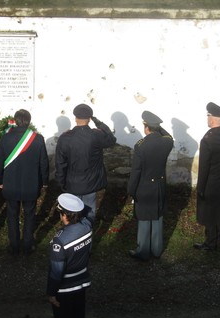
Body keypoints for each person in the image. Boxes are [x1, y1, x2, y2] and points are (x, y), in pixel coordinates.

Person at [0, 109, 49, 256]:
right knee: (30, 215)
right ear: (29, 121)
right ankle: (28, 245)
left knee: (12, 215)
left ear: (15, 121)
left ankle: (14, 246)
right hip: (31, 184)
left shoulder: (6, 138)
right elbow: (44, 162)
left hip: (10, 184)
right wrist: (45, 181)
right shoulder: (38, 138)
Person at [55, 104, 116, 220]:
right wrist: (99, 123)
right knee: (89, 213)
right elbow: (111, 139)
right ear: (89, 119)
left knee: (72, 214)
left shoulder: (65, 137)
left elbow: (60, 163)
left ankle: (75, 235)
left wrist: (61, 183)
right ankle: (87, 235)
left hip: (72, 183)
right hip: (91, 182)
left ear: (75, 118)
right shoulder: (96, 135)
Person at [127, 111, 174, 261]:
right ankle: (157, 249)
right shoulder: (167, 142)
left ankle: (143, 252)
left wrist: (131, 190)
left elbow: (136, 171)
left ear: (146, 127)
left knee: (144, 219)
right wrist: (157, 127)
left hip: (144, 186)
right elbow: (167, 135)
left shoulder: (141, 145)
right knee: (157, 217)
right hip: (159, 185)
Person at [47, 193, 94, 318]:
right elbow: (90, 213)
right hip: (81, 284)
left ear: (63, 214)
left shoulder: (60, 240)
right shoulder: (87, 228)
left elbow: (57, 272)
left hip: (64, 289)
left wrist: (51, 293)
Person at [194, 102, 220, 251]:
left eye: (208, 115)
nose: (207, 118)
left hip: (212, 183)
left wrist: (201, 188)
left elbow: (204, 168)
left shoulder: (208, 139)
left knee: (210, 214)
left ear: (213, 118)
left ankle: (210, 243)